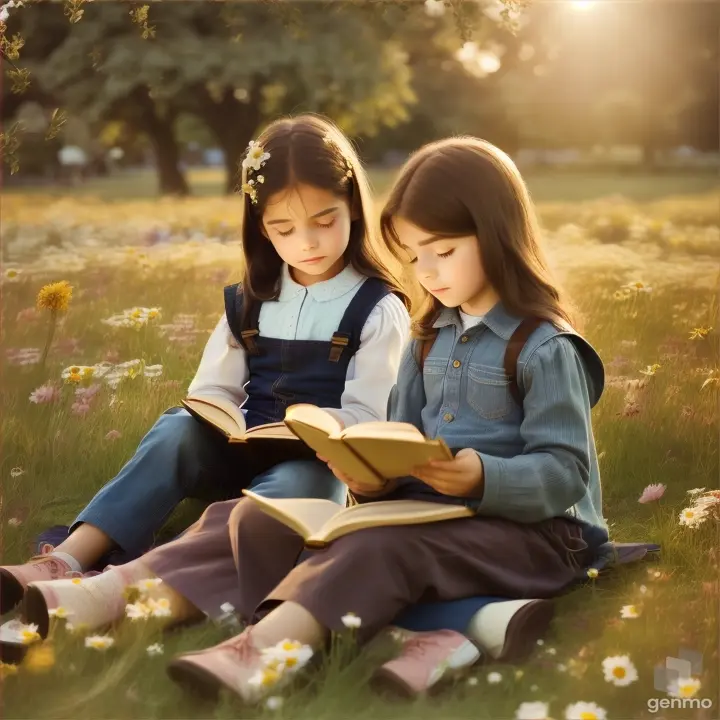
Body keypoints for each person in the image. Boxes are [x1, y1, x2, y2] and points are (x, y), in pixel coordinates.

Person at [0, 114, 410, 616]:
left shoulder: (378, 307)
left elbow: (371, 416)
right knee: (175, 430)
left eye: (324, 222)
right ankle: (67, 557)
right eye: (284, 228)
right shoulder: (251, 298)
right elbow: (210, 391)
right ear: (261, 227)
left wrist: (320, 429)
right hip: (237, 451)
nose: (307, 241)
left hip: (316, 464)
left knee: (300, 489)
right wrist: (220, 417)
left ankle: (137, 579)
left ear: (352, 206)